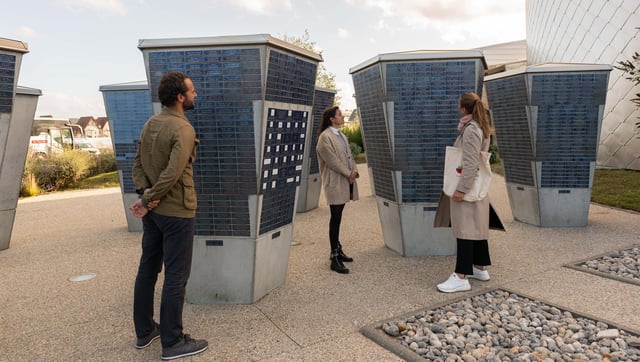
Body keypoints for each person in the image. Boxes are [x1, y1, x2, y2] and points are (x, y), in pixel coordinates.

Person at [129, 71, 208, 360]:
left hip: (155, 214)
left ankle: (145, 330)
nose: (195, 95)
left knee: (148, 270)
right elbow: (173, 173)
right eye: (192, 90)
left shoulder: (151, 124)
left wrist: (144, 195)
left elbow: (136, 164)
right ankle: (173, 342)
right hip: (176, 213)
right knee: (177, 276)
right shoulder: (183, 129)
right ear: (180, 97)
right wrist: (149, 198)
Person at [434, 92, 505, 293]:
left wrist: (461, 189)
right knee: (476, 228)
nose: (458, 108)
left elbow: (471, 162)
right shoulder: (477, 127)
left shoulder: (471, 129)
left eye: (459, 105)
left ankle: (461, 276)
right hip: (476, 189)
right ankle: (479, 267)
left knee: (465, 230)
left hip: (468, 189)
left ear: (465, 108)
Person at [316, 106, 359, 274]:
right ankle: (334, 256)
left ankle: (338, 249)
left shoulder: (342, 135)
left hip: (345, 179)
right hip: (335, 182)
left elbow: (349, 156)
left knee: (339, 215)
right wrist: (348, 173)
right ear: (331, 119)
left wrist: (354, 171)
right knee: (335, 217)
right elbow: (332, 161)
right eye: (340, 115)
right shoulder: (324, 138)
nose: (342, 117)